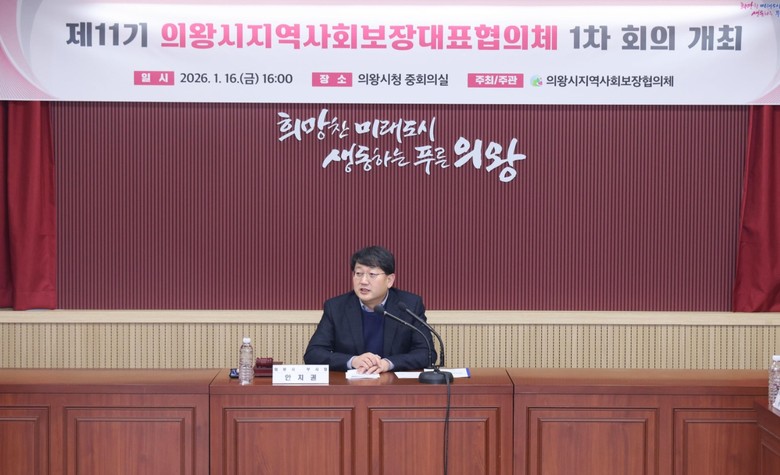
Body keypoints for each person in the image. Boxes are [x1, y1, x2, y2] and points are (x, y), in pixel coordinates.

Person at [304, 246, 435, 374]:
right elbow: (313, 353)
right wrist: (353, 361)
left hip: (394, 384)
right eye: (358, 273)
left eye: (372, 274)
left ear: (389, 280)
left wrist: (388, 363)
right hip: (350, 385)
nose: (363, 281)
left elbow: (427, 353)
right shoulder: (336, 307)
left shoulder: (409, 305)